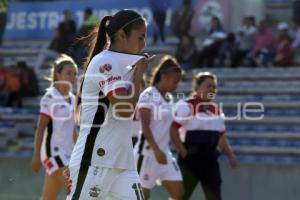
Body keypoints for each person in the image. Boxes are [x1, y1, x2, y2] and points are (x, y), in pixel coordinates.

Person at [66, 10, 154, 200]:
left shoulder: (126, 64)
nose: (144, 44)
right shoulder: (105, 63)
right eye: (140, 37)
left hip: (123, 161)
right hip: (94, 160)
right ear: (122, 35)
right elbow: (124, 110)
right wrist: (139, 75)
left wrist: (137, 74)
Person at [171, 72, 237, 200]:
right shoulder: (186, 105)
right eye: (208, 86)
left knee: (214, 196)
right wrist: (182, 150)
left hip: (210, 159)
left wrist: (230, 155)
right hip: (190, 158)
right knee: (181, 196)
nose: (212, 89)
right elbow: (173, 129)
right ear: (197, 87)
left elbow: (221, 138)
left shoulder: (216, 109)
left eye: (214, 87)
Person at [134, 55, 184, 200]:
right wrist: (156, 150)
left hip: (164, 153)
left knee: (178, 194)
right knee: (142, 196)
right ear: (164, 76)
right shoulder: (148, 95)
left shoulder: (169, 98)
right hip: (147, 154)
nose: (177, 85)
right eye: (175, 81)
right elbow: (145, 126)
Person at [31, 54, 78, 200]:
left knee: (48, 197)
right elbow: (41, 128)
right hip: (54, 153)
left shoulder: (72, 98)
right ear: (58, 74)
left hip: (67, 153)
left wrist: (79, 151)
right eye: (69, 73)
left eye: (75, 73)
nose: (73, 77)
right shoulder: (50, 97)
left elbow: (72, 130)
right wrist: (37, 156)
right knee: (76, 189)